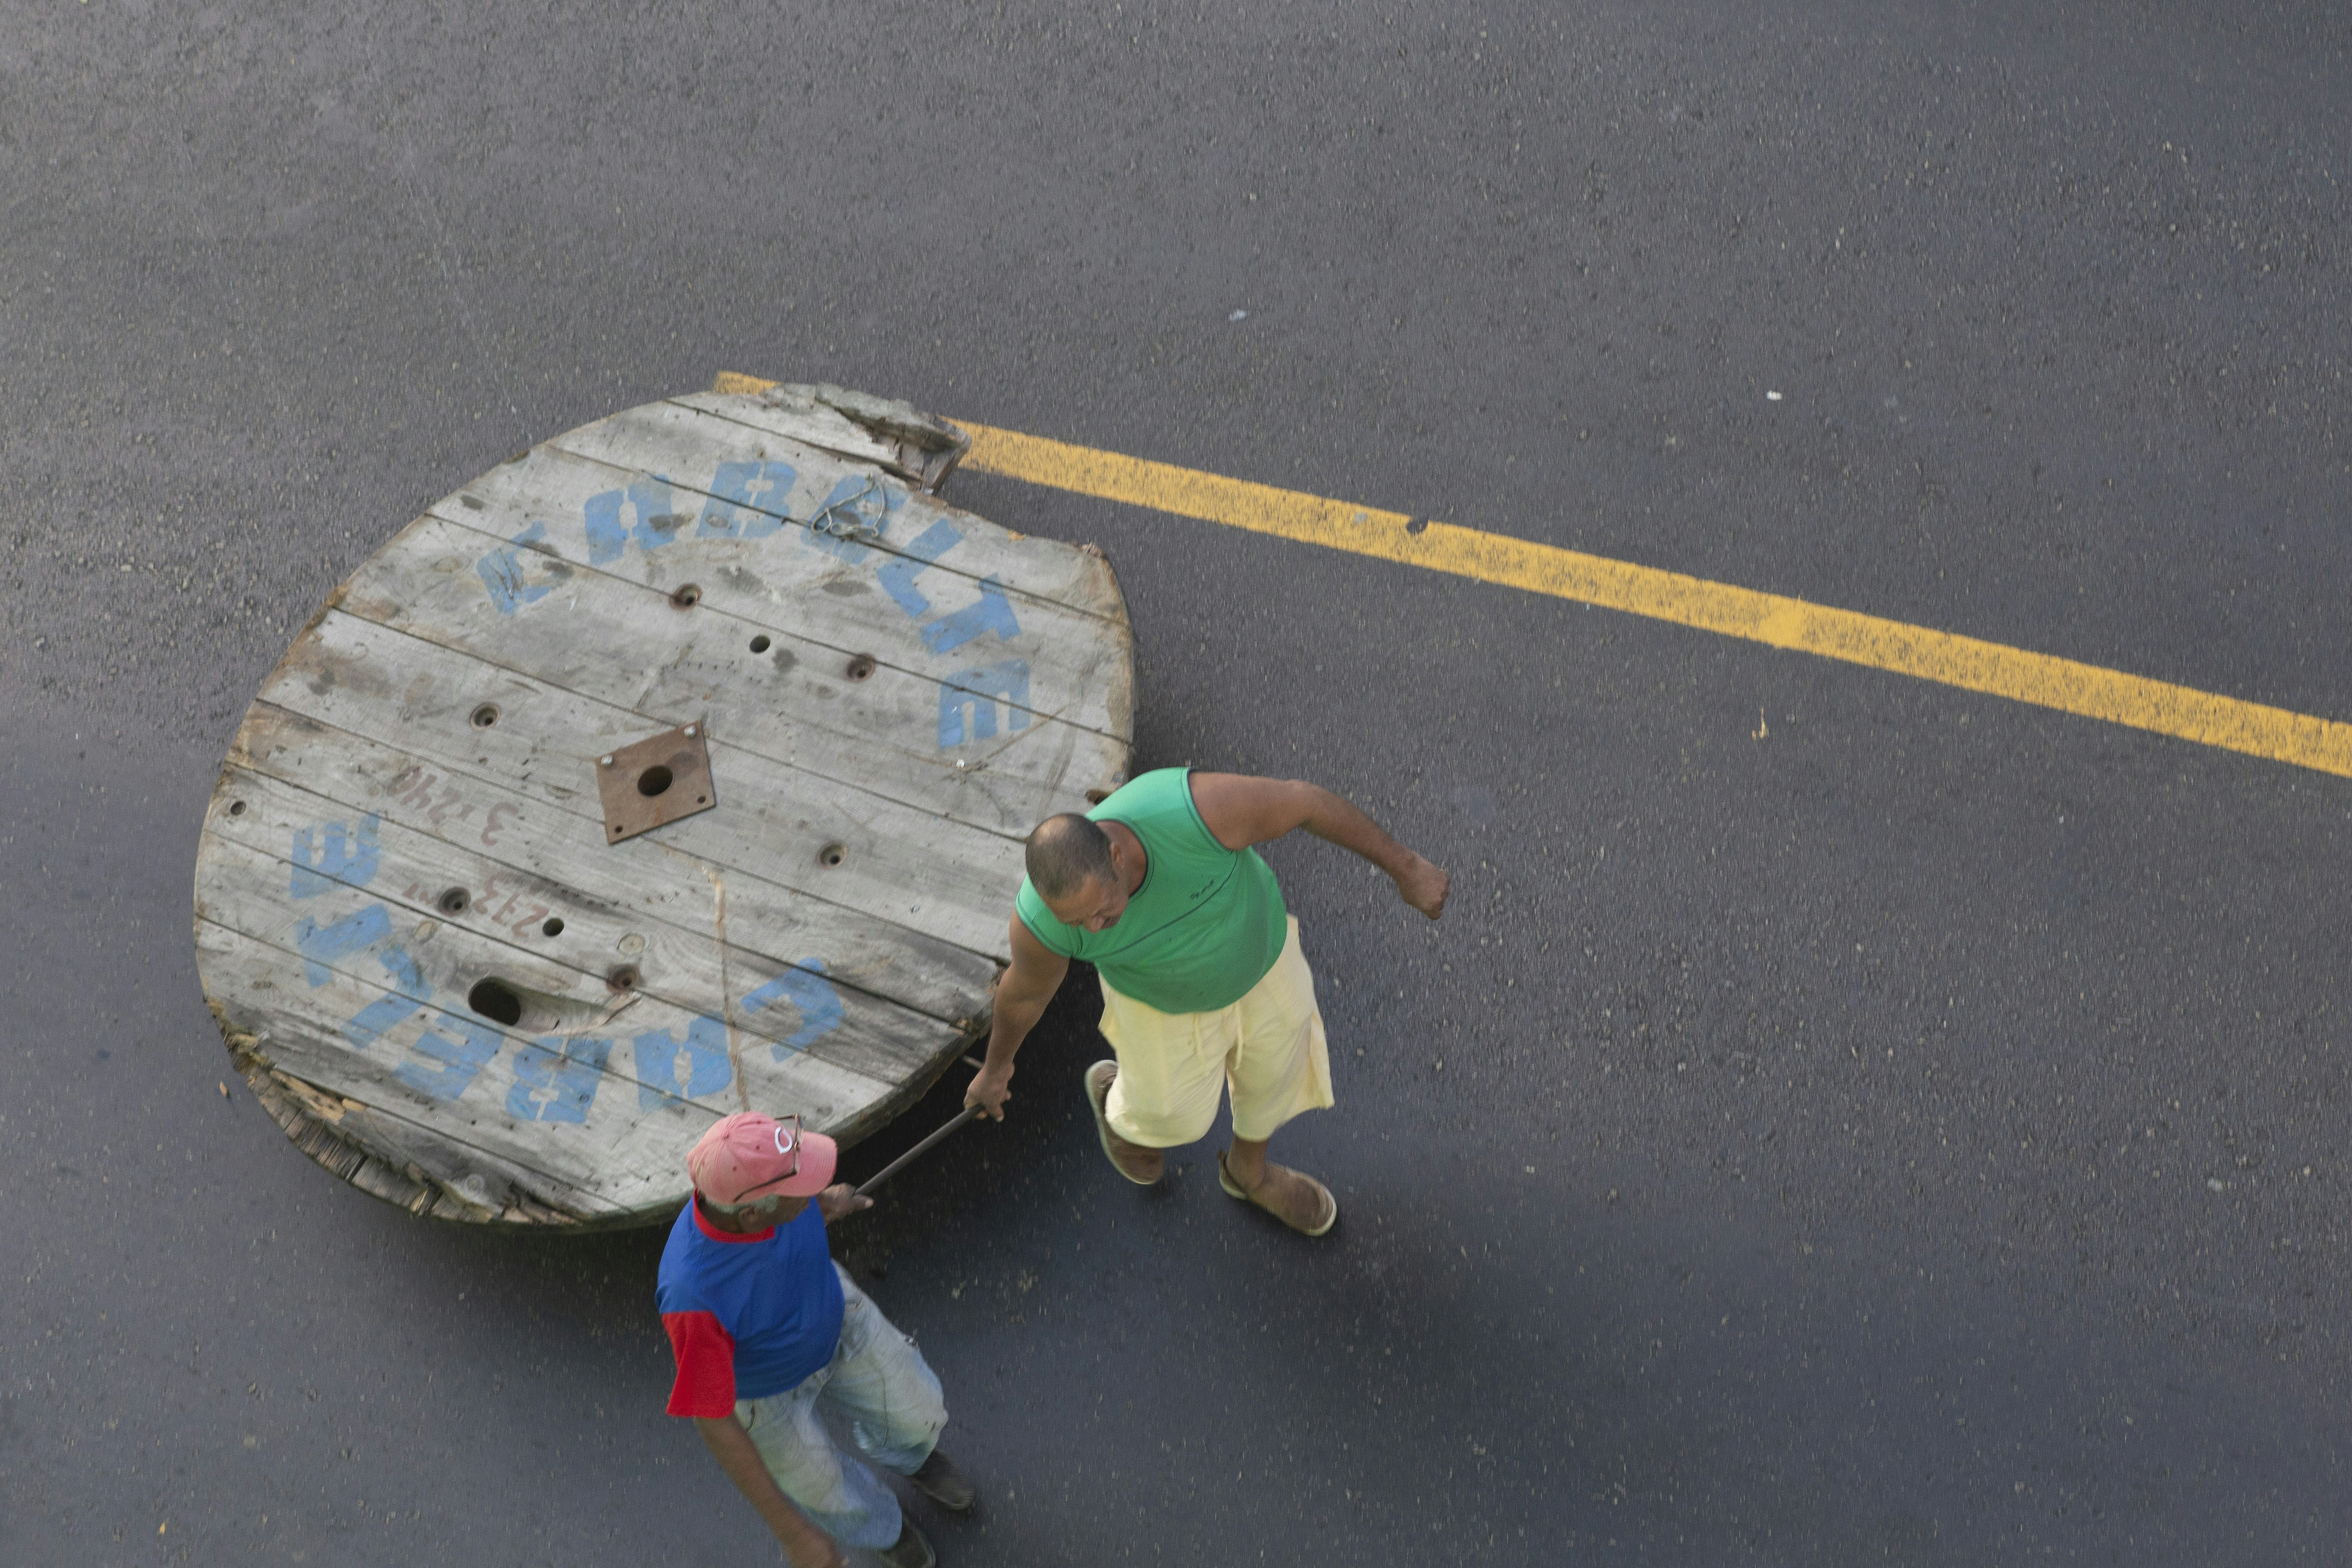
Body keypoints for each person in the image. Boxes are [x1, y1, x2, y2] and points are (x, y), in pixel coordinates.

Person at [964, 769, 1449, 1234]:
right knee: (1174, 1117)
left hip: (1262, 962)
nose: (1091, 929)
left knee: (1275, 1076)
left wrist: (1406, 867)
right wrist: (995, 1070)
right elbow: (1024, 996)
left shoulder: (1195, 812)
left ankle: (1248, 1174)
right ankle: (1120, 1103)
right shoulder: (1042, 924)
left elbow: (1306, 803)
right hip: (1161, 1002)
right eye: (1075, 922)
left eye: (1099, 911)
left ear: (1116, 857)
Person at [657, 1111, 976, 1568]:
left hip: (834, 1314)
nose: (813, 1185)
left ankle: (913, 1458)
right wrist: (795, 1537)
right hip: (765, 1397)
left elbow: (803, 1209)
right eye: (802, 1186)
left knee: (916, 1410)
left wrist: (826, 1204)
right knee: (821, 1488)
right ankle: (887, 1532)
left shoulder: (767, 1196)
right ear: (752, 1214)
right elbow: (713, 1420)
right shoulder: (691, 1295)